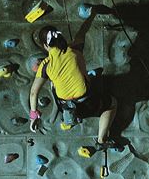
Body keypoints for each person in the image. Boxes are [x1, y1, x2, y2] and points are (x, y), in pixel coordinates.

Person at [29, 16, 117, 147]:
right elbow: (82, 31)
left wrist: (34, 116)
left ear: (46, 45)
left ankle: (69, 117)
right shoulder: (76, 49)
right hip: (88, 101)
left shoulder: (45, 65)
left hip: (64, 105)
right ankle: (101, 139)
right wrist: (92, 15)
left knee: (52, 83)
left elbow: (33, 93)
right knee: (112, 103)